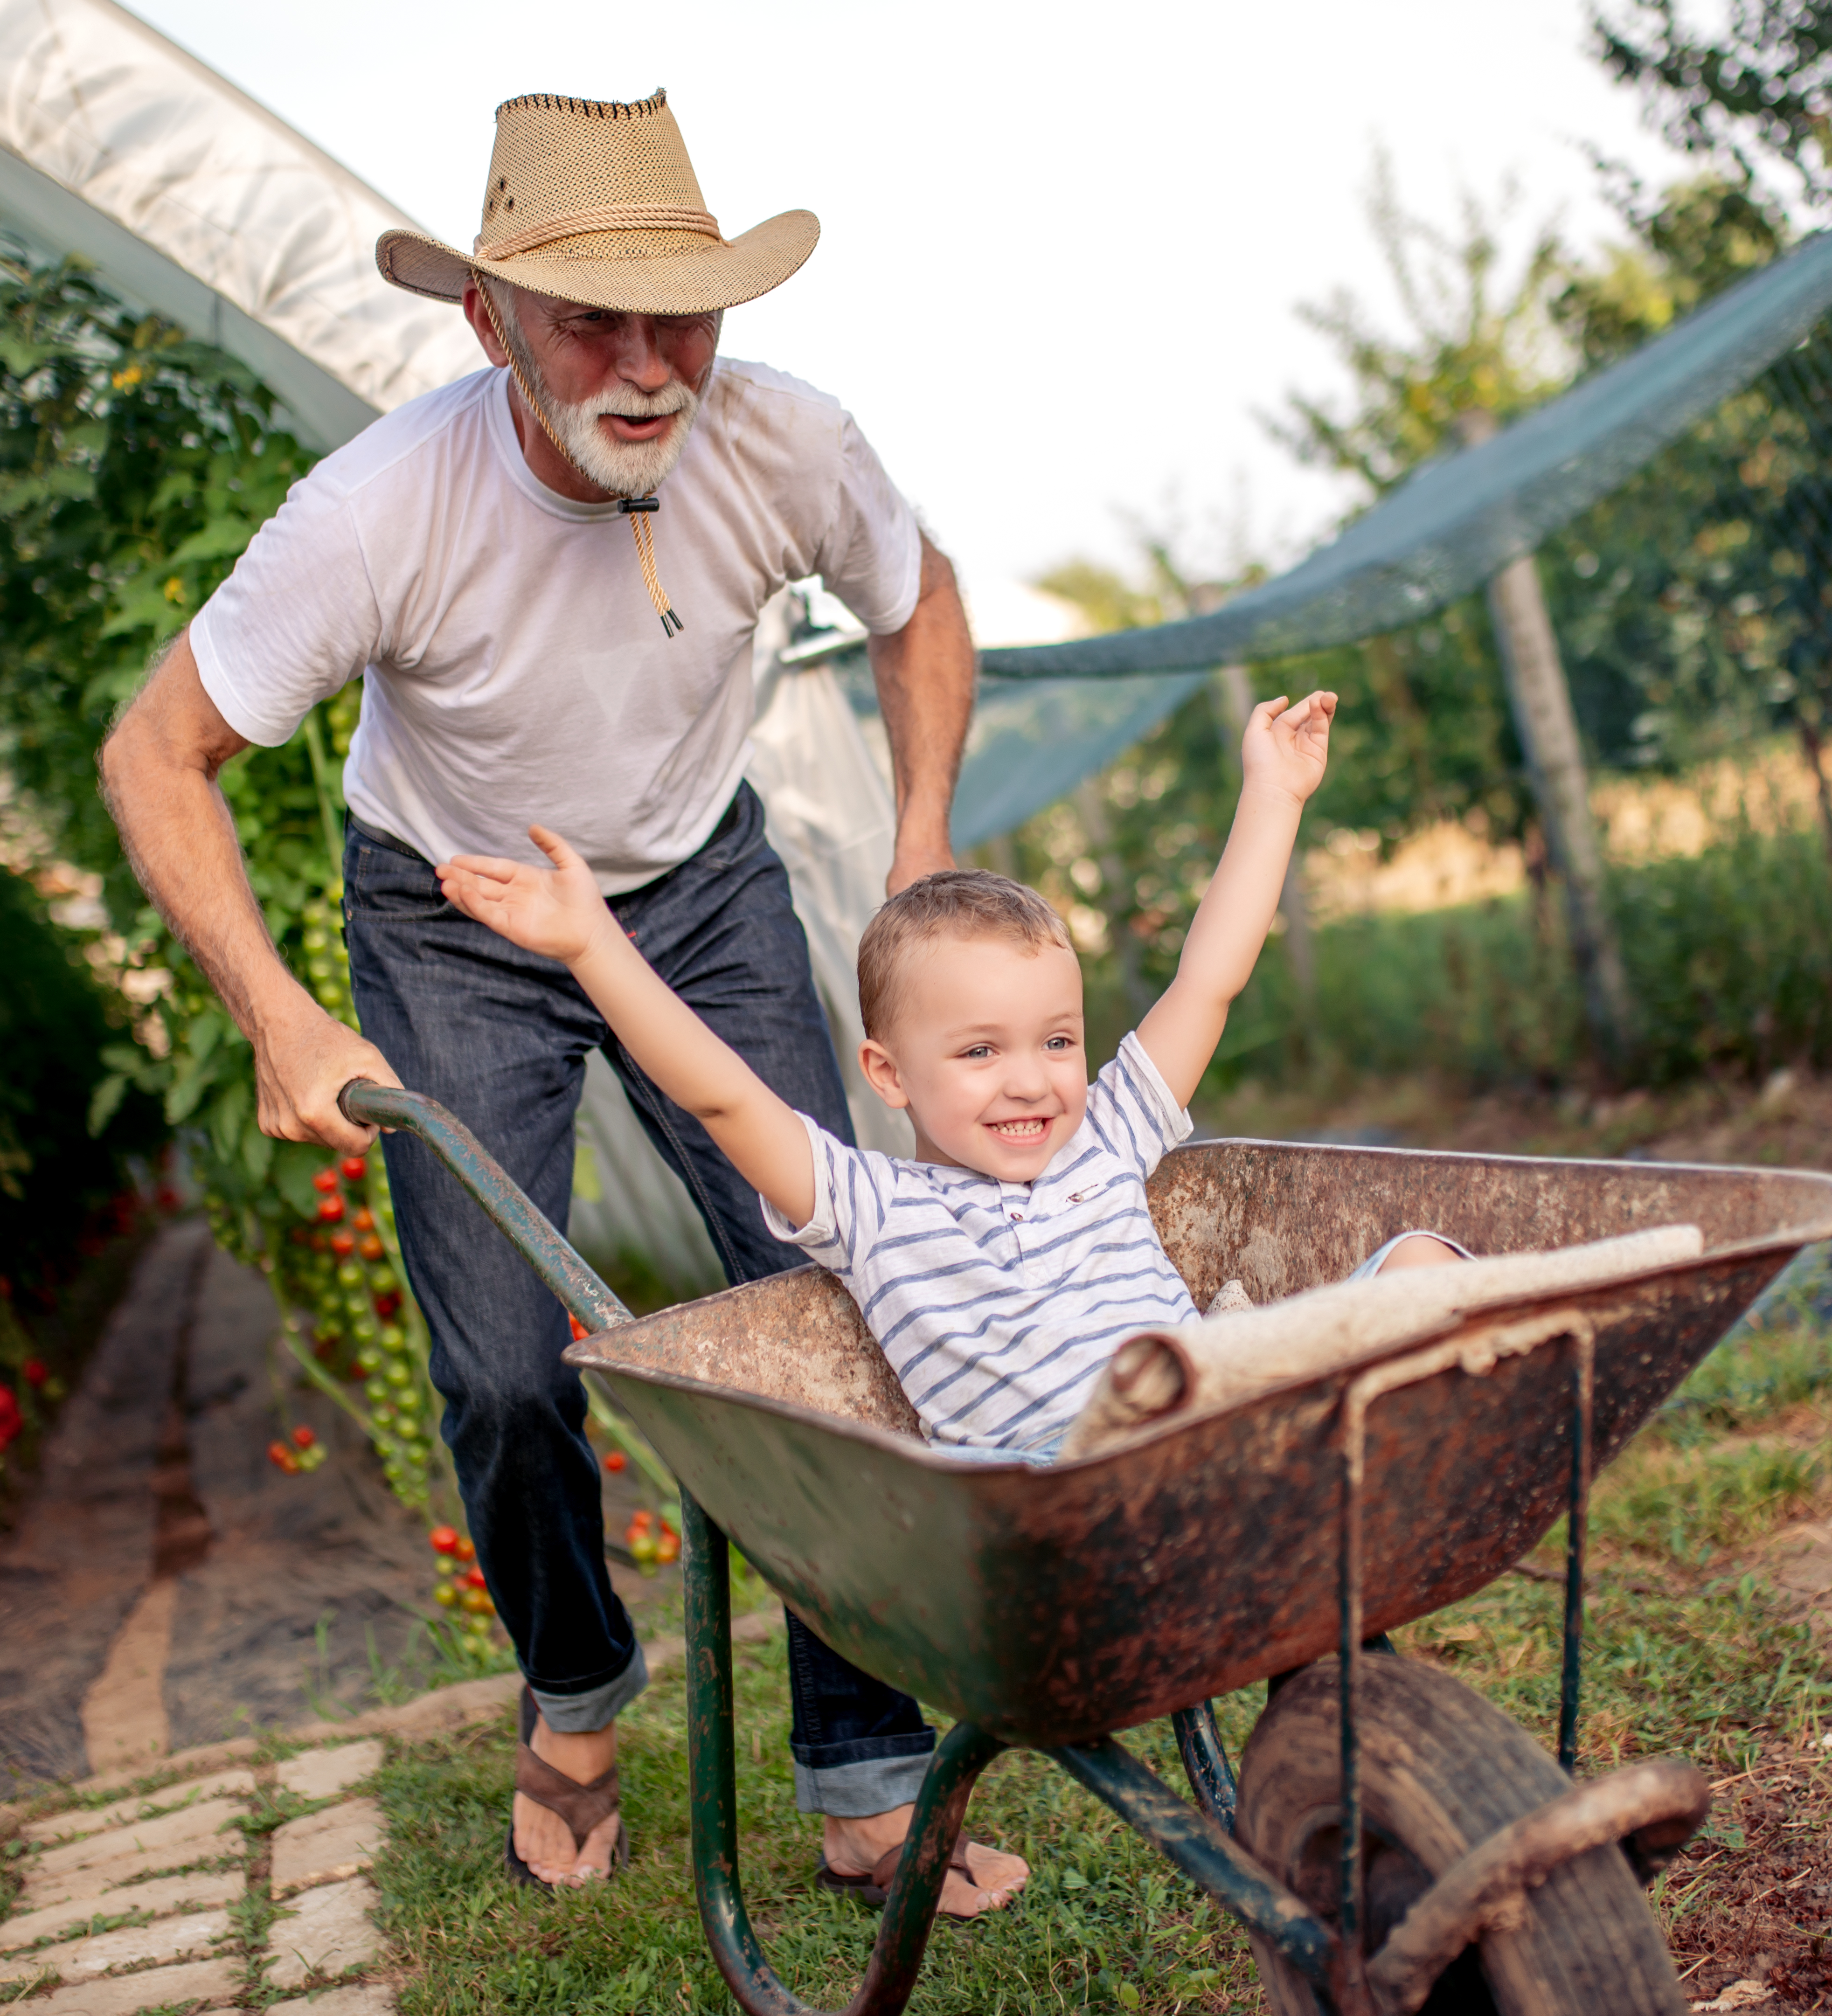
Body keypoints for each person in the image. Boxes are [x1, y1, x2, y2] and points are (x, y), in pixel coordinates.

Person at [98, 89, 1027, 1907]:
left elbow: (916, 605)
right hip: (448, 912)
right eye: (586, 317)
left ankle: (859, 1758)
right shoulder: (378, 510)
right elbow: (155, 755)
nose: (640, 362)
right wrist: (283, 1017)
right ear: (488, 323)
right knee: (509, 1370)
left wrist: (918, 836)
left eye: (673, 312)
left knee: (829, 1291)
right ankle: (579, 1678)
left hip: (695, 888)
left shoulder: (788, 443)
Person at [437, 692, 1468, 1467]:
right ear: (887, 1073)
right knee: (1156, 1393)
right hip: (1073, 1483)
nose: (1029, 1082)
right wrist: (590, 944)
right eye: (978, 1052)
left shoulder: (1108, 1136)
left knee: (1421, 1260)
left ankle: (1399, 1468)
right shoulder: (869, 1207)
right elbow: (721, 1094)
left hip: (1221, 1416)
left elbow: (1208, 979)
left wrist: (1273, 796)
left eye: (1055, 1042)